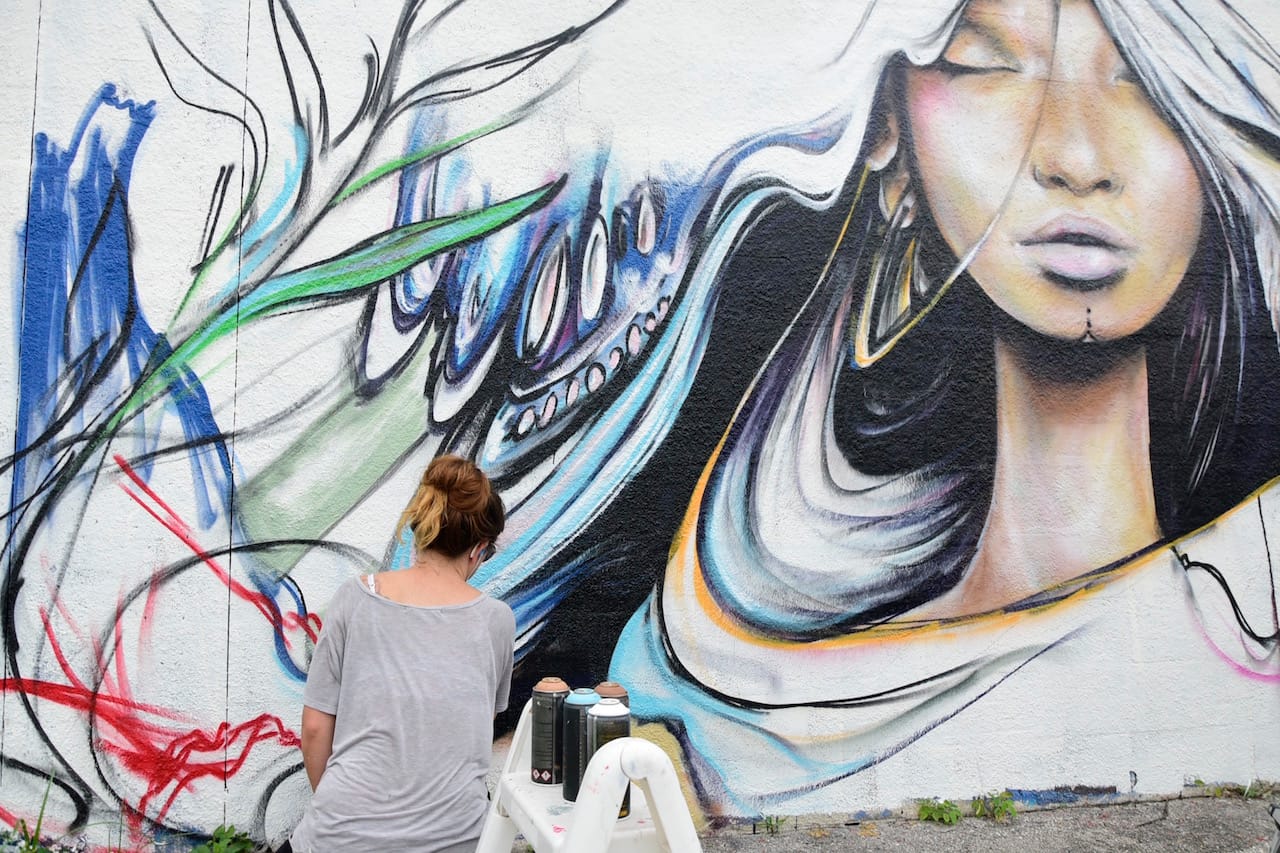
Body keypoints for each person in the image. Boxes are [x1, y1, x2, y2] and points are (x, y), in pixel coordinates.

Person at [613, 0, 1280, 815]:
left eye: (1142, 78)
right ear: (890, 136)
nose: (1076, 155)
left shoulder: (1251, 597)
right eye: (985, 65)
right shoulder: (713, 666)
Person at [287, 455, 515, 852]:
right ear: (478, 549)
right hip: (455, 841)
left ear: (421, 528)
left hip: (341, 836)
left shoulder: (353, 599)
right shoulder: (496, 621)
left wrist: (350, 816)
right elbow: (474, 724)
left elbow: (315, 728)